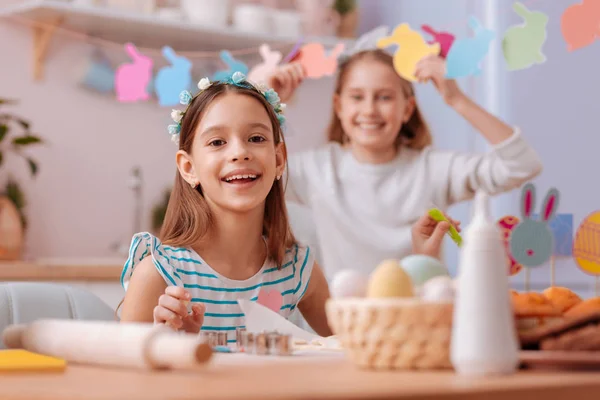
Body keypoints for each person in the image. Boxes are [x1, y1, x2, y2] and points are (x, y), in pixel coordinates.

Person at [118, 72, 458, 336]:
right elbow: (119, 384)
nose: (240, 151)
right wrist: (166, 349)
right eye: (218, 142)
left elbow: (367, 345)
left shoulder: (297, 270)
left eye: (256, 138)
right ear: (189, 167)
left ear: (279, 158)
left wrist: (421, 265)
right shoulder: (159, 274)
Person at [266, 50, 543, 280]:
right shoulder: (317, 169)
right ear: (339, 106)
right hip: (345, 328)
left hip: (422, 323)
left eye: (384, 97)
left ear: (407, 109)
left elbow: (521, 164)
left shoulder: (433, 169)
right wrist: (268, 104)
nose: (370, 110)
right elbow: (244, 174)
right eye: (357, 97)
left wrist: (457, 100)